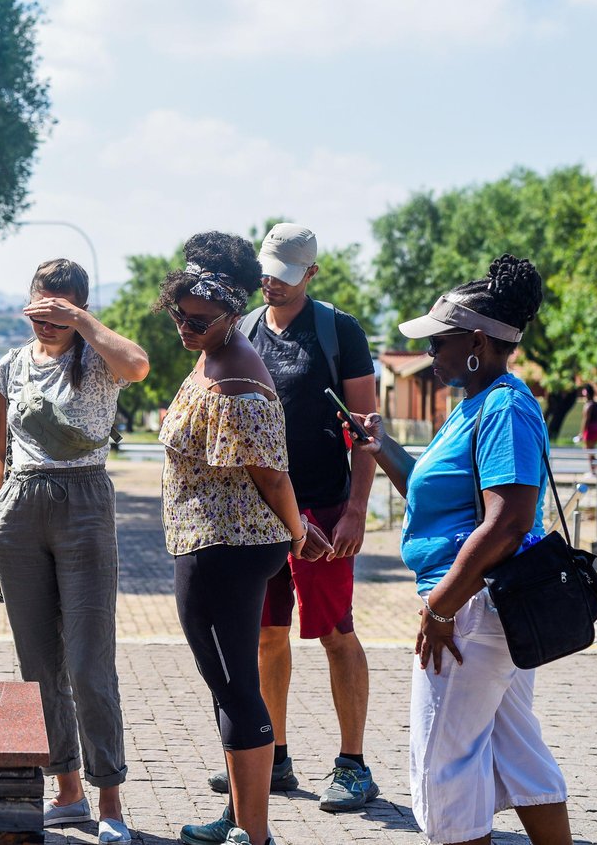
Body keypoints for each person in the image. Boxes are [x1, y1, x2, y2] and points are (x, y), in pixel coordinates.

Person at [352, 254, 573, 845]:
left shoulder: (502, 407)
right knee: (515, 750)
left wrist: (440, 607)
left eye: (440, 342)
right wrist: (384, 449)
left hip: (473, 608)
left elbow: (507, 523)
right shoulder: (476, 403)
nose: (431, 354)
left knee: (442, 767)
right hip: (486, 609)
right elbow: (440, 495)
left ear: (476, 341)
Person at [157, 232, 334, 845]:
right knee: (226, 682)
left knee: (235, 685)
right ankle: (237, 817)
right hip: (212, 540)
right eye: (178, 313)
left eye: (199, 317)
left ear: (233, 313)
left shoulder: (234, 375)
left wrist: (299, 531)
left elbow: (270, 470)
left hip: (226, 546)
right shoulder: (217, 350)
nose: (185, 325)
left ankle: (254, 836)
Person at [205, 222, 380, 812]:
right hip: (257, 513)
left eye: (284, 276)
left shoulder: (339, 332)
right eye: (266, 274)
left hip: (323, 508)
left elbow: (366, 433)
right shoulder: (244, 329)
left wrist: (356, 510)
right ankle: (273, 755)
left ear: (311, 274)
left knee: (335, 633)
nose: (271, 285)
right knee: (266, 633)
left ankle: (353, 765)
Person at [0, 259, 149, 845]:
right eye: (40, 308)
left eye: (60, 309)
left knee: (87, 663)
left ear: (78, 308)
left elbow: (139, 364)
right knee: (39, 666)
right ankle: (68, 792)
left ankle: (110, 804)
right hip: (21, 509)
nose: (46, 321)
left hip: (84, 504)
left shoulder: (98, 359)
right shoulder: (10, 364)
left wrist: (80, 322)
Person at [578, 385, 597, 474]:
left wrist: (581, 433)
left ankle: (593, 471)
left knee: (589, 450)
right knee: (591, 449)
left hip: (591, 430)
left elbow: (586, 419)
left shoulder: (588, 405)